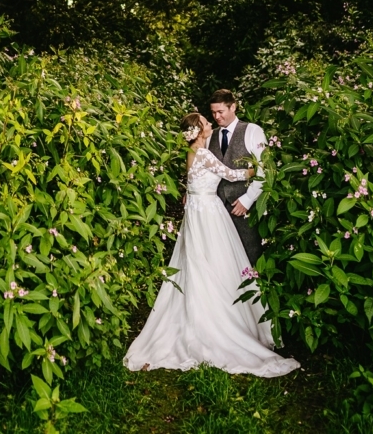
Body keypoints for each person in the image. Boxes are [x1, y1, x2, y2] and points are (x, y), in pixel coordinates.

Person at [122, 111, 298, 376]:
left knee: (198, 261)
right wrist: (255, 169)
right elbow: (229, 174)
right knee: (215, 263)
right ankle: (216, 321)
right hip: (207, 213)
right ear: (199, 131)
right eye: (206, 123)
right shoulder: (203, 153)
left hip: (196, 209)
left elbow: (195, 182)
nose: (211, 124)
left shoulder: (192, 153)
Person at [206, 89, 267, 267]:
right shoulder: (211, 136)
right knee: (221, 261)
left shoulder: (252, 131)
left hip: (245, 208)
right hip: (216, 210)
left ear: (233, 107)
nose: (216, 117)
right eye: (213, 112)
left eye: (220, 112)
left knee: (250, 255)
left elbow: (264, 168)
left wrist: (248, 199)